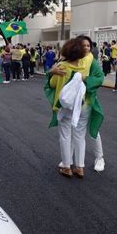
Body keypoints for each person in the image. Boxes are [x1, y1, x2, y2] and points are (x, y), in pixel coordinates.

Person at [49, 36, 105, 174]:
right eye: (83, 45)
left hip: (84, 102)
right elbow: (53, 74)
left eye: (88, 45)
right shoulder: (79, 62)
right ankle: (76, 165)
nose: (86, 48)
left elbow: (100, 78)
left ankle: (98, 157)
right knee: (77, 134)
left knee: (91, 131)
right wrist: (52, 71)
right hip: (80, 104)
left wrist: (85, 79)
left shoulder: (90, 61)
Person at [46, 38, 91, 178]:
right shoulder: (84, 67)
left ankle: (66, 166)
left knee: (65, 135)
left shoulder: (62, 66)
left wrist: (52, 71)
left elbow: (52, 84)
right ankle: (80, 167)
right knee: (80, 136)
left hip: (64, 106)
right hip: (80, 106)